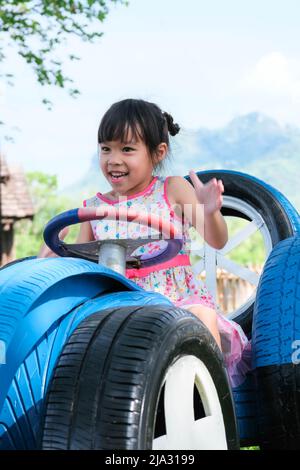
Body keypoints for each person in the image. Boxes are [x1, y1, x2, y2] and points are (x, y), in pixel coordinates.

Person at [39, 98, 251, 388]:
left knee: (201, 316)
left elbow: (216, 239)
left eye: (127, 149)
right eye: (106, 149)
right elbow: (82, 267)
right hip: (119, 305)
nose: (113, 159)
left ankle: (212, 397)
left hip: (176, 301)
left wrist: (209, 212)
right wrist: (51, 256)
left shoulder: (172, 190)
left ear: (157, 153)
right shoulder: (92, 210)